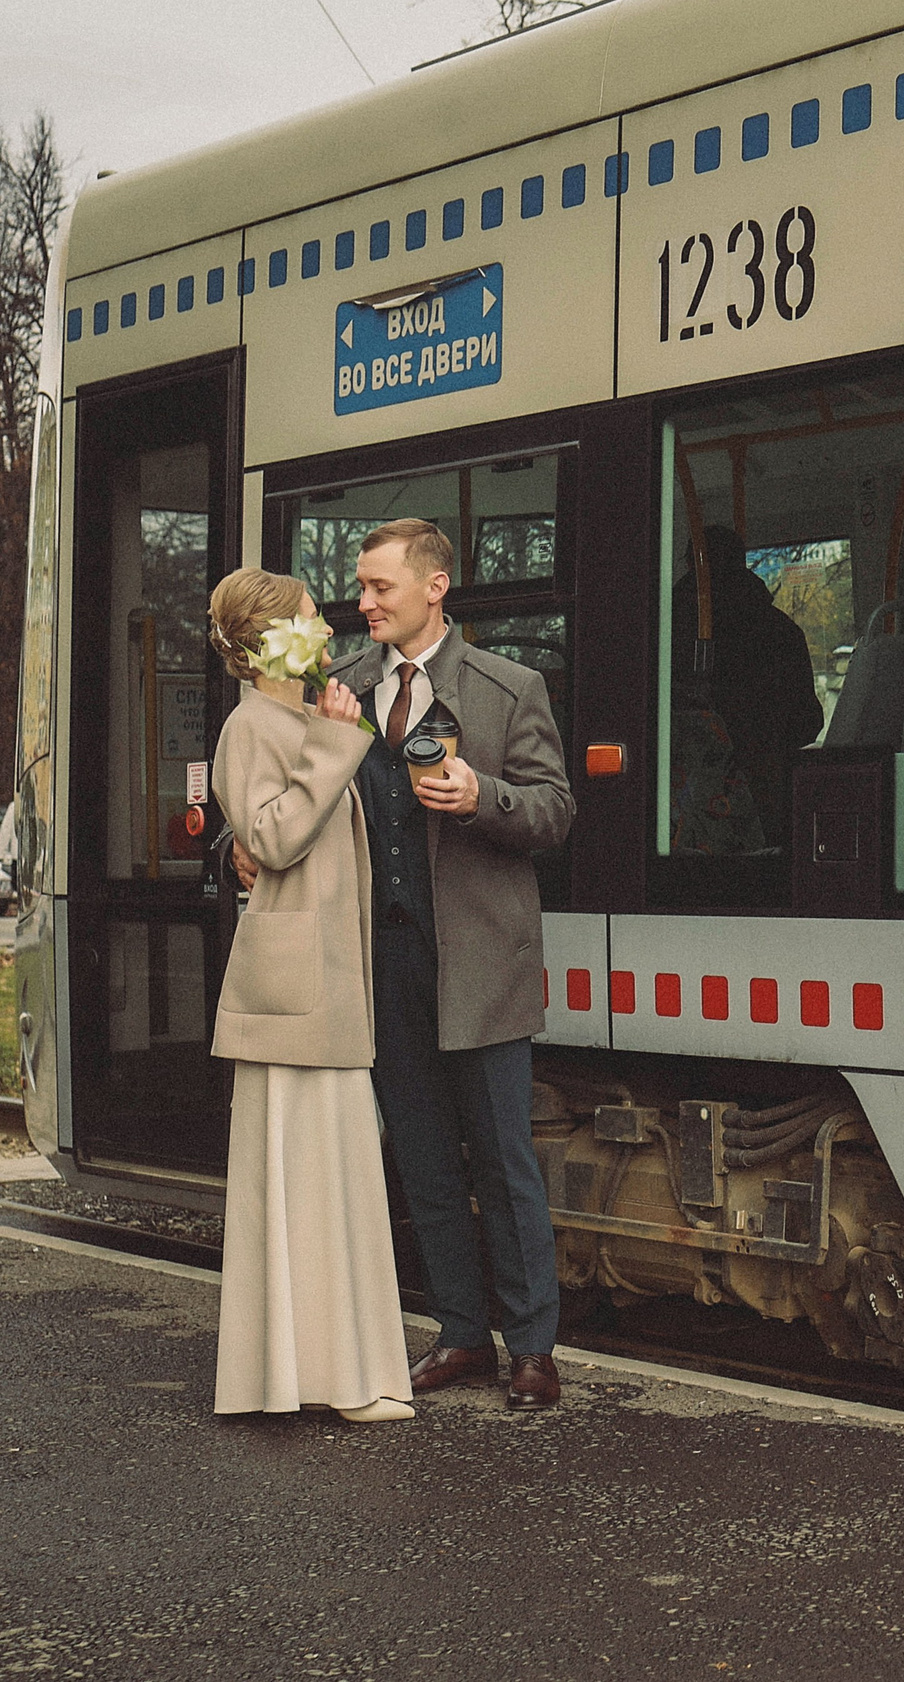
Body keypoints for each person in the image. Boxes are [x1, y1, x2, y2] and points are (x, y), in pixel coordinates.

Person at [233, 520, 575, 1409]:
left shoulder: (511, 687)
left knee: (503, 1160)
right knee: (421, 1158)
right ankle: (462, 1336)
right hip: (376, 961)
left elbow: (556, 813)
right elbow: (280, 795)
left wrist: (483, 796)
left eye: (381, 586)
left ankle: (533, 1347)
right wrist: (237, 850)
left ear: (436, 587)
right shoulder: (335, 690)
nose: (363, 602)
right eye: (359, 586)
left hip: (481, 963)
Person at [205, 568, 413, 1424]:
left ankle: (327, 1374)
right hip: (296, 993)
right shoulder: (254, 723)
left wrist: (329, 739)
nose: (327, 626)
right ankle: (321, 1379)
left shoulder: (293, 717)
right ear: (272, 641)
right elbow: (273, 837)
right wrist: (335, 747)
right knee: (313, 1180)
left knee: (330, 1179)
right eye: (310, 617)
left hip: (316, 986)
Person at [668, 523, 823, 846]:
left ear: (689, 565)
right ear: (742, 563)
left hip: (680, 810)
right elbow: (807, 723)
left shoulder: (665, 631)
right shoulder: (783, 632)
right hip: (767, 799)